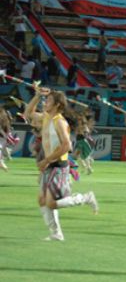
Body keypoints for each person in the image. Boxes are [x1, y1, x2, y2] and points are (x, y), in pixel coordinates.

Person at [24, 87, 99, 241]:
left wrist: (46, 159)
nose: (45, 102)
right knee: (42, 200)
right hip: (50, 164)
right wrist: (37, 95)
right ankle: (56, 233)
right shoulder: (46, 117)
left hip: (58, 164)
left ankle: (85, 198)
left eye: (49, 100)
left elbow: (67, 146)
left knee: (51, 203)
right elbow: (27, 114)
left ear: (57, 105)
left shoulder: (60, 122)